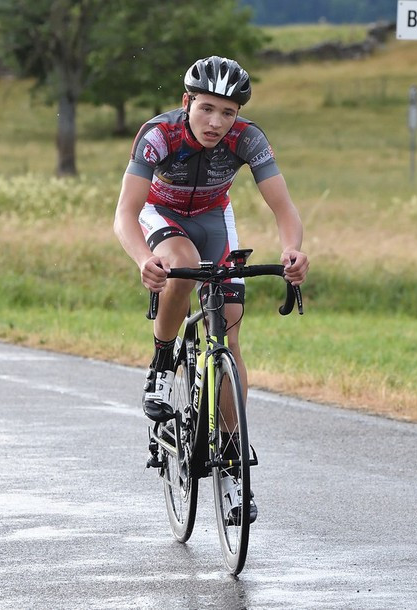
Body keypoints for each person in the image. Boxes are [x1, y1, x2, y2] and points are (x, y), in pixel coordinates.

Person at [113, 56, 309, 522]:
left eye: (228, 112)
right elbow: (125, 213)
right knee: (180, 263)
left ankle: (232, 461)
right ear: (187, 102)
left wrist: (293, 251)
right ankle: (161, 364)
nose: (217, 122)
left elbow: (284, 208)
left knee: (230, 333)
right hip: (162, 216)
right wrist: (145, 260)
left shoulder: (249, 139)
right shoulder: (158, 135)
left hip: (214, 220)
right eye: (206, 109)